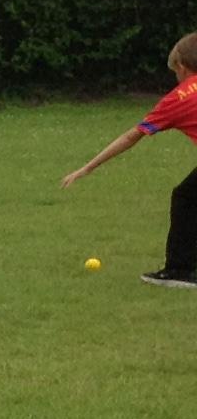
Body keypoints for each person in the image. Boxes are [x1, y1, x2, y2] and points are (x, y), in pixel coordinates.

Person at [61, 32, 197, 288]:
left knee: (186, 198)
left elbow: (130, 137)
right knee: (188, 195)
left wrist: (87, 168)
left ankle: (179, 270)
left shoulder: (177, 99)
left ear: (181, 66)